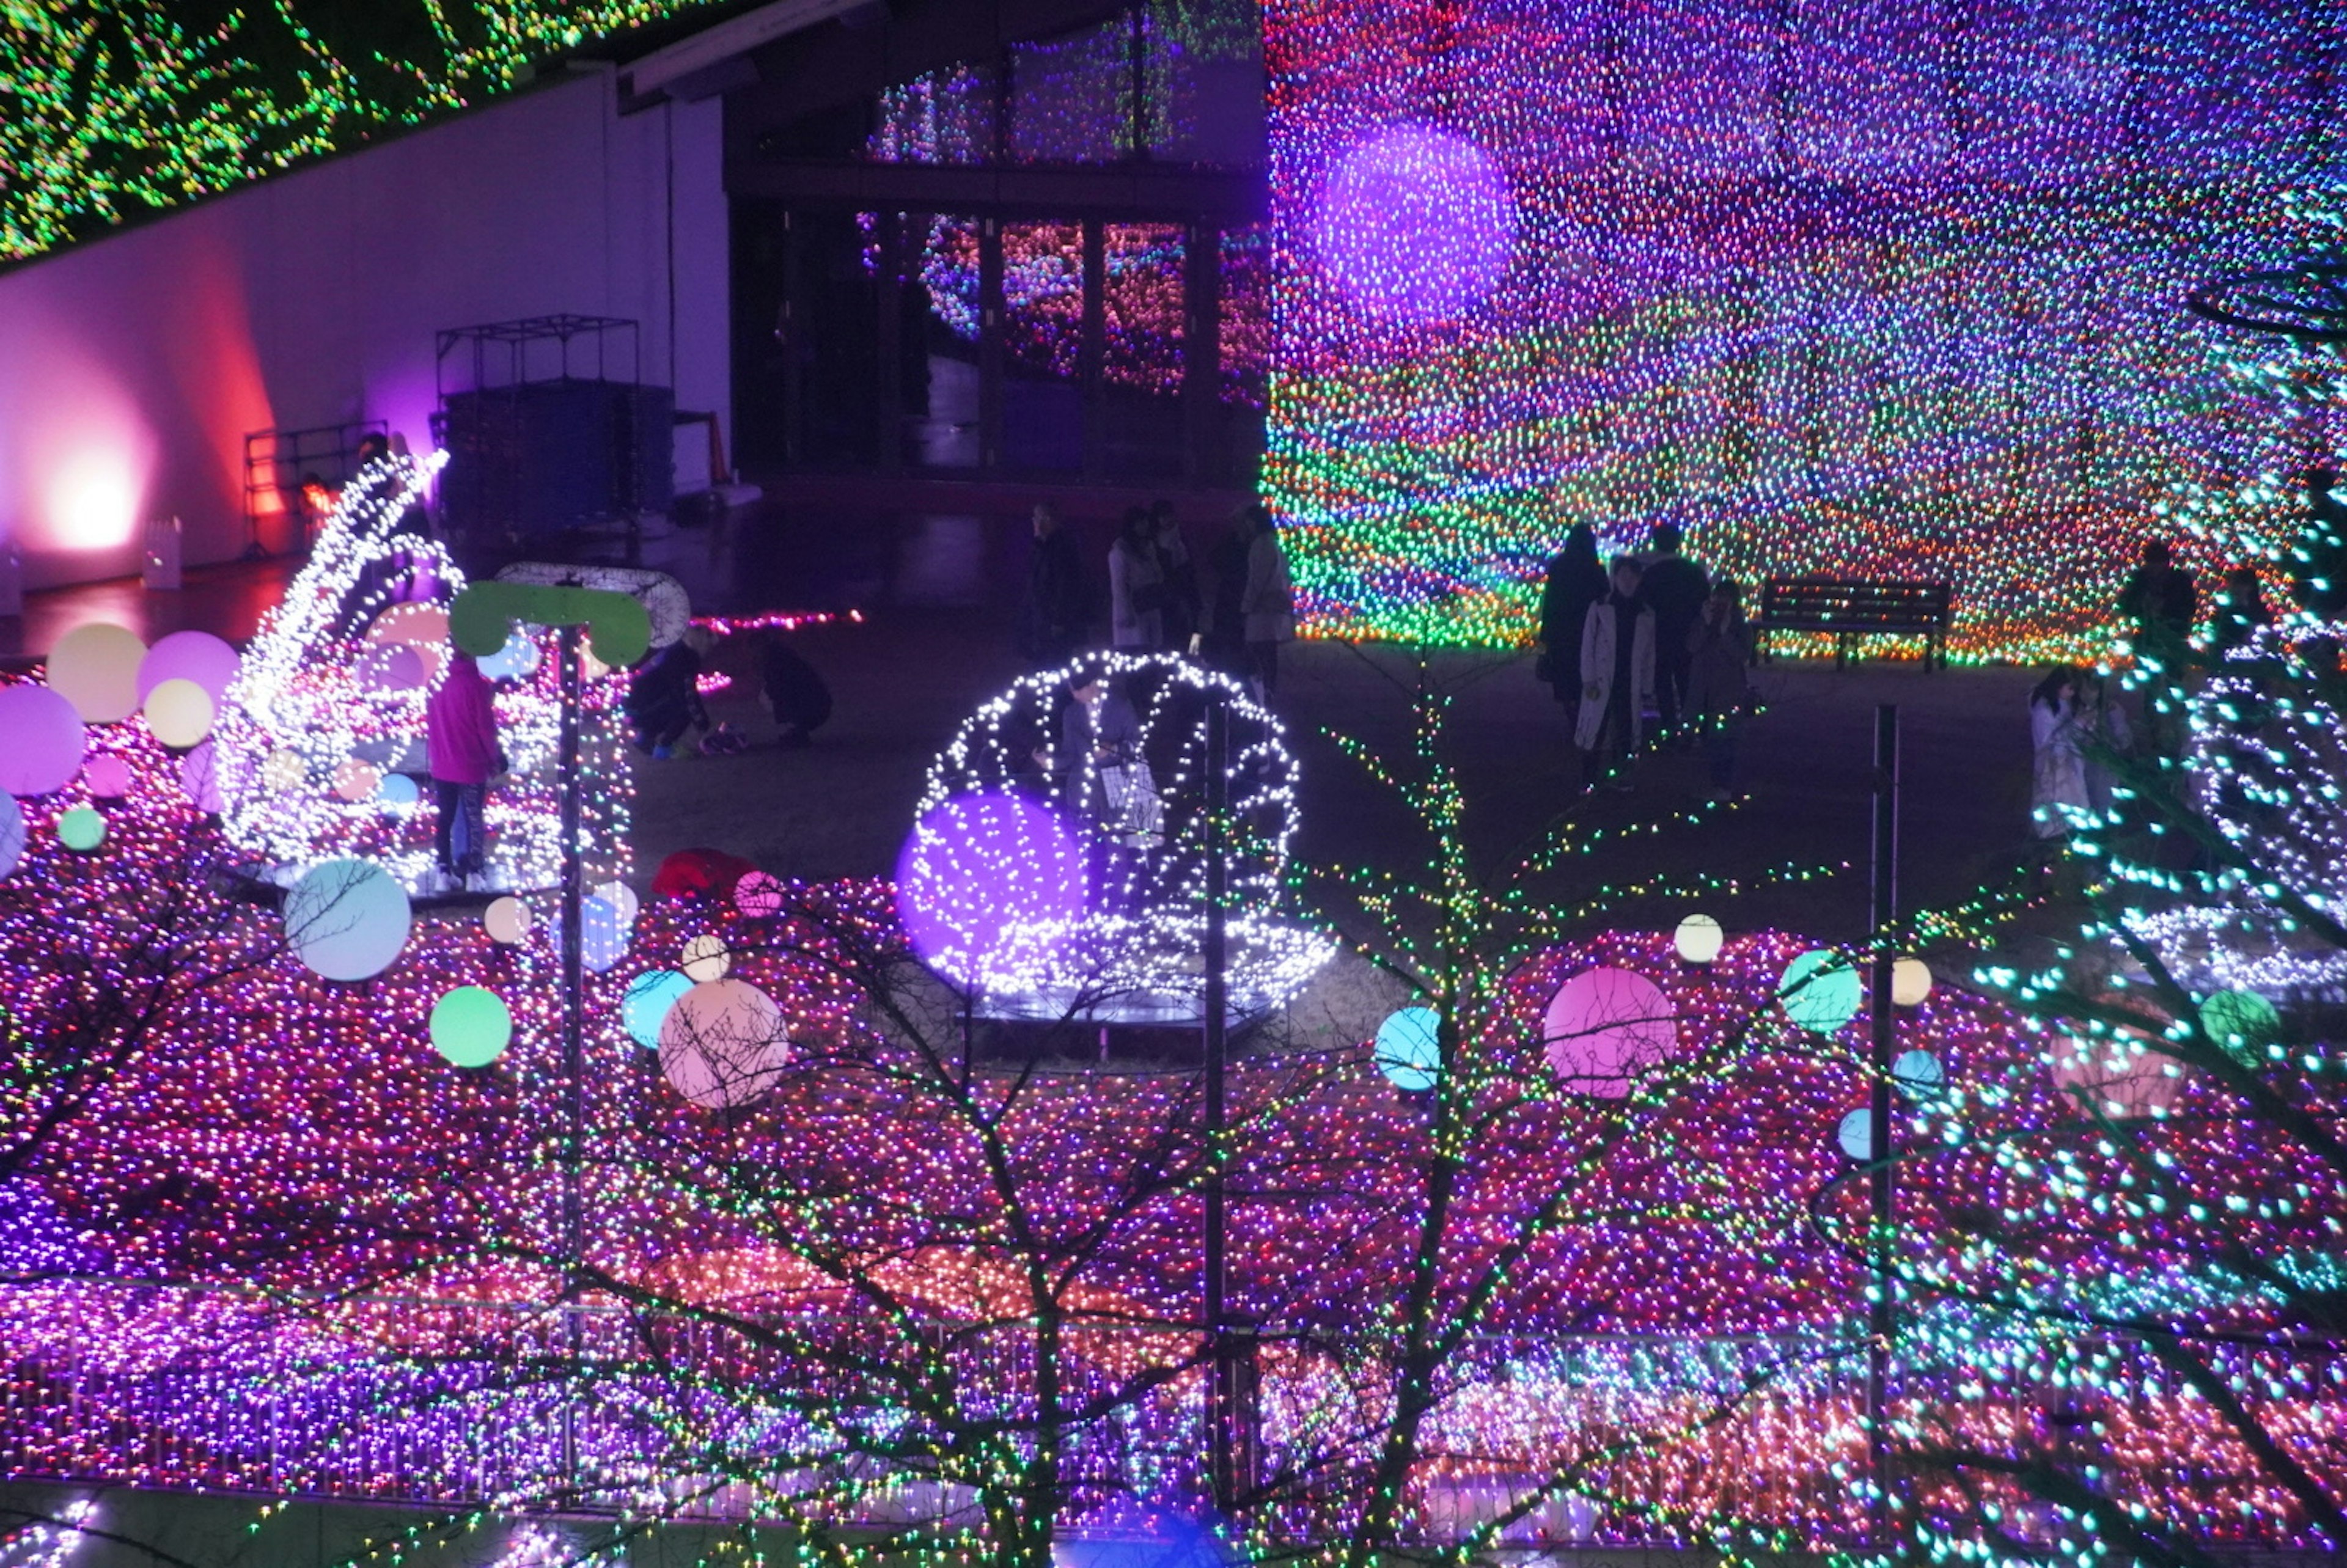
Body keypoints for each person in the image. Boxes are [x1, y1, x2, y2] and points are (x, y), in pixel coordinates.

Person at [1576, 557, 1656, 789]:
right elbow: (1587, 644)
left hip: (1629, 678)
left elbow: (1650, 654)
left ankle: (1620, 776)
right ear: (1615, 578)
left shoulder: (1647, 614)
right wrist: (1588, 678)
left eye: (1632, 576)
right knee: (1595, 730)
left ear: (1639, 579)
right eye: (1623, 576)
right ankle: (1588, 778)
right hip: (1602, 678)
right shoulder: (1600, 607)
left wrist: (1647, 687)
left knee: (1626, 730)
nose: (1627, 581)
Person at [426, 651, 499, 891]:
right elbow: (486, 729)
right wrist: (495, 758)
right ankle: (474, 873)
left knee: (445, 817)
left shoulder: (436, 682)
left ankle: (443, 872)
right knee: (473, 818)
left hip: (442, 761)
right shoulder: (477, 685)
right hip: (471, 763)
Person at [1637, 523, 1709, 735]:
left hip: (1660, 636)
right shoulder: (1694, 572)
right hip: (1688, 635)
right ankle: (1690, 726)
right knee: (1686, 680)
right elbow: (1705, 601)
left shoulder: (1651, 574)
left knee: (1663, 682)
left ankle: (1669, 725)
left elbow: (1643, 605)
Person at [1684, 579, 1753, 791]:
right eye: (1717, 598)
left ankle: (1722, 786)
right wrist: (1706, 624)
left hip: (1727, 691)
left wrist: (1724, 633)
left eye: (1726, 599)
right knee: (1705, 737)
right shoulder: (1701, 622)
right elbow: (1691, 646)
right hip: (1702, 688)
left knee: (1725, 739)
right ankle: (1709, 785)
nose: (1720, 603)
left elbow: (1741, 655)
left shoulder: (1741, 626)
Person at [1537, 526, 1607, 712]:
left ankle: (1572, 712)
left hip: (1562, 630)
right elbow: (1604, 600)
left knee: (1565, 675)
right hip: (1588, 629)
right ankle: (1583, 715)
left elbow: (1551, 601)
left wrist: (1547, 634)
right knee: (1585, 673)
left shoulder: (1559, 567)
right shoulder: (1596, 569)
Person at [1016, 504, 1089, 665]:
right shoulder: (1043, 546)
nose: (1034, 522)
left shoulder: (1060, 547)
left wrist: (1059, 619)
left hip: (1053, 621)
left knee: (1054, 664)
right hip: (1045, 619)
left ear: (1047, 520)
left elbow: (1065, 585)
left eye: (1037, 518)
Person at [625, 626, 713, 757]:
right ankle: (665, 747)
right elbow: (688, 694)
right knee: (683, 709)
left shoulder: (673, 651)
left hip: (633, 707)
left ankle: (645, 738)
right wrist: (702, 722)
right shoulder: (686, 657)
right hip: (643, 708)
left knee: (670, 704)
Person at [1239, 504, 1296, 699]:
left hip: (1263, 606)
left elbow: (1257, 578)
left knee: (1260, 649)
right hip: (1274, 602)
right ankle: (1268, 688)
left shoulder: (1261, 544)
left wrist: (1247, 604)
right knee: (1269, 649)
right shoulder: (1274, 542)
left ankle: (1263, 689)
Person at [2029, 665, 2090, 841]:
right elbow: (2047, 743)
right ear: (2059, 685)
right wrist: (2077, 725)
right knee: (2053, 799)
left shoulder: (2063, 703)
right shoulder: (2044, 711)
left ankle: (2067, 832)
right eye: (2070, 688)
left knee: (2071, 798)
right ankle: (2051, 836)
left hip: (2067, 762)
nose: (2072, 694)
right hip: (2052, 765)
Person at [2117, 540, 2198, 653]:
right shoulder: (2139, 580)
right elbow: (2125, 605)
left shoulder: (2180, 581)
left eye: (2158, 563)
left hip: (2173, 637)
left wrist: (2166, 610)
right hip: (2147, 638)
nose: (2155, 569)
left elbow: (2189, 607)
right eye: (2151, 563)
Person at [1108, 507, 1167, 650]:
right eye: (1140, 523)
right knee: (1136, 645)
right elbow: (1119, 584)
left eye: (1146, 522)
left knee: (1153, 644)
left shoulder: (1148, 547)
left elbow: (1157, 574)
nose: (1144, 526)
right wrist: (1124, 613)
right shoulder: (1120, 551)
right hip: (1134, 605)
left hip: (1151, 601)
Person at [760, 636, 834, 749]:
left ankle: (795, 731)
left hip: (811, 706)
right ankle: (795, 731)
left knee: (768, 696)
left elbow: (780, 691)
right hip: (818, 704)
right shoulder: (789, 659)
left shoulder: (777, 664)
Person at [1150, 501, 1201, 651]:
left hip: (1186, 589)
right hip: (1168, 592)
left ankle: (1193, 658)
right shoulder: (1154, 541)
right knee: (1170, 632)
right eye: (1163, 517)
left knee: (1193, 630)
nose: (1167, 520)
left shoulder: (1181, 537)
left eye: (1169, 516)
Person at [2208, 564, 2275, 654]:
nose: (2233, 589)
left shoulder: (2261, 613)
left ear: (2250, 587)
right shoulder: (2225, 613)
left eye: (2238, 585)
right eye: (2233, 585)